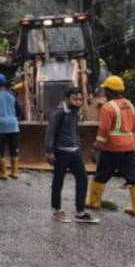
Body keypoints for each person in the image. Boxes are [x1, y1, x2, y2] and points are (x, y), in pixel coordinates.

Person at [86, 76, 135, 217]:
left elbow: (103, 131)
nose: (104, 92)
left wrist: (97, 146)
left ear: (109, 91)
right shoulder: (130, 105)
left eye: (105, 89)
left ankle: (94, 202)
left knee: (102, 175)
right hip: (129, 145)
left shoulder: (108, 107)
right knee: (133, 177)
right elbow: (134, 127)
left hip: (112, 147)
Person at [45, 88, 99, 223]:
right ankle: (56, 210)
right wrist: (49, 151)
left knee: (83, 179)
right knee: (58, 180)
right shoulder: (58, 113)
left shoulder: (74, 113)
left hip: (74, 152)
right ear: (67, 99)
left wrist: (79, 147)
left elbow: (74, 132)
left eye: (80, 99)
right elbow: (50, 131)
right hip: (61, 152)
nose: (78, 102)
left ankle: (80, 212)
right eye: (75, 99)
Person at [0, 74, 23, 180]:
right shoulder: (12, 94)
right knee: (13, 148)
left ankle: (2, 173)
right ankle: (14, 172)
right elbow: (19, 111)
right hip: (13, 125)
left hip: (0, 126)